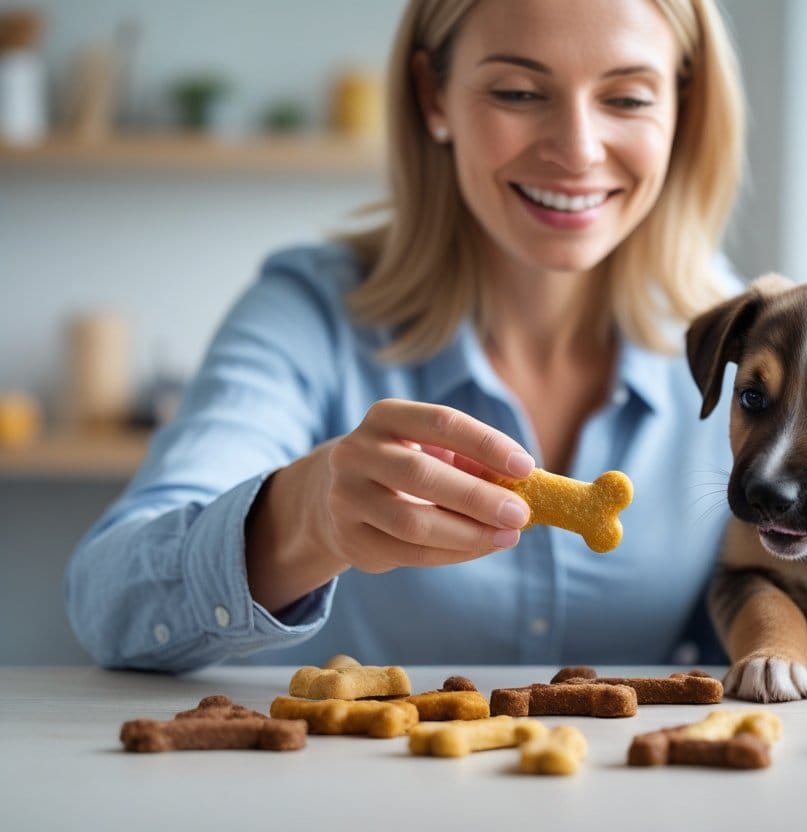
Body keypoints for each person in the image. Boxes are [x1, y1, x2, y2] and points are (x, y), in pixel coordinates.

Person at [65, 0, 745, 672]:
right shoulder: (311, 312)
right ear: (433, 95)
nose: (576, 149)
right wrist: (300, 520)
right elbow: (108, 602)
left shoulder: (743, 348)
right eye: (517, 91)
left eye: (627, 99)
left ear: (682, 108)